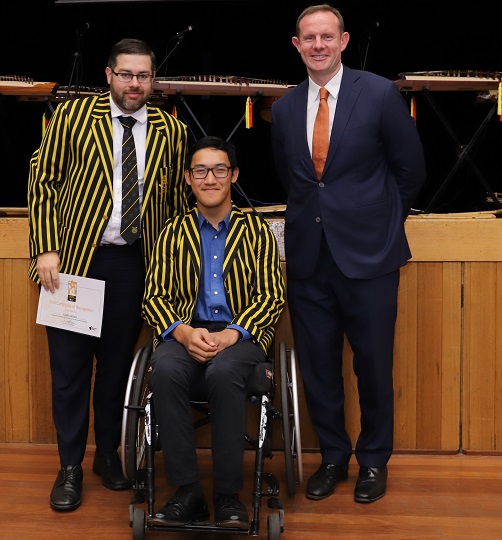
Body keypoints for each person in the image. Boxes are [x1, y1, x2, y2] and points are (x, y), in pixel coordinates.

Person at [270, 4, 426, 503]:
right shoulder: (286, 106)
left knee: (374, 364)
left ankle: (374, 461)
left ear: (343, 41)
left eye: (326, 37)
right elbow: (294, 180)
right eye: (308, 38)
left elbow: (411, 170)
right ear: (296, 45)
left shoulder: (378, 93)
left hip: (370, 259)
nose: (318, 45)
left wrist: (381, 223)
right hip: (309, 261)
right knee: (317, 365)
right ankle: (333, 457)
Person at [27, 38, 188, 512]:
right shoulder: (73, 118)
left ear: (152, 80)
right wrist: (46, 248)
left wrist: (177, 267)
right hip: (74, 264)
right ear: (109, 74)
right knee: (71, 373)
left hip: (136, 264)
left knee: (116, 369)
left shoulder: (169, 130)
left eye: (143, 76)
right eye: (126, 74)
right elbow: (43, 179)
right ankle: (70, 467)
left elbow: (177, 204)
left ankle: (107, 457)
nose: (134, 84)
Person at [142, 136, 285, 528]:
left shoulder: (256, 231)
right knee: (167, 372)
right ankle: (187, 492)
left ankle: (227, 497)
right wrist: (184, 333)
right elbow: (153, 297)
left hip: (240, 337)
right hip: (184, 332)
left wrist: (233, 334)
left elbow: (272, 296)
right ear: (188, 178)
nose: (210, 178)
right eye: (200, 170)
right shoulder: (172, 232)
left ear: (233, 175)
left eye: (219, 169)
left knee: (224, 373)